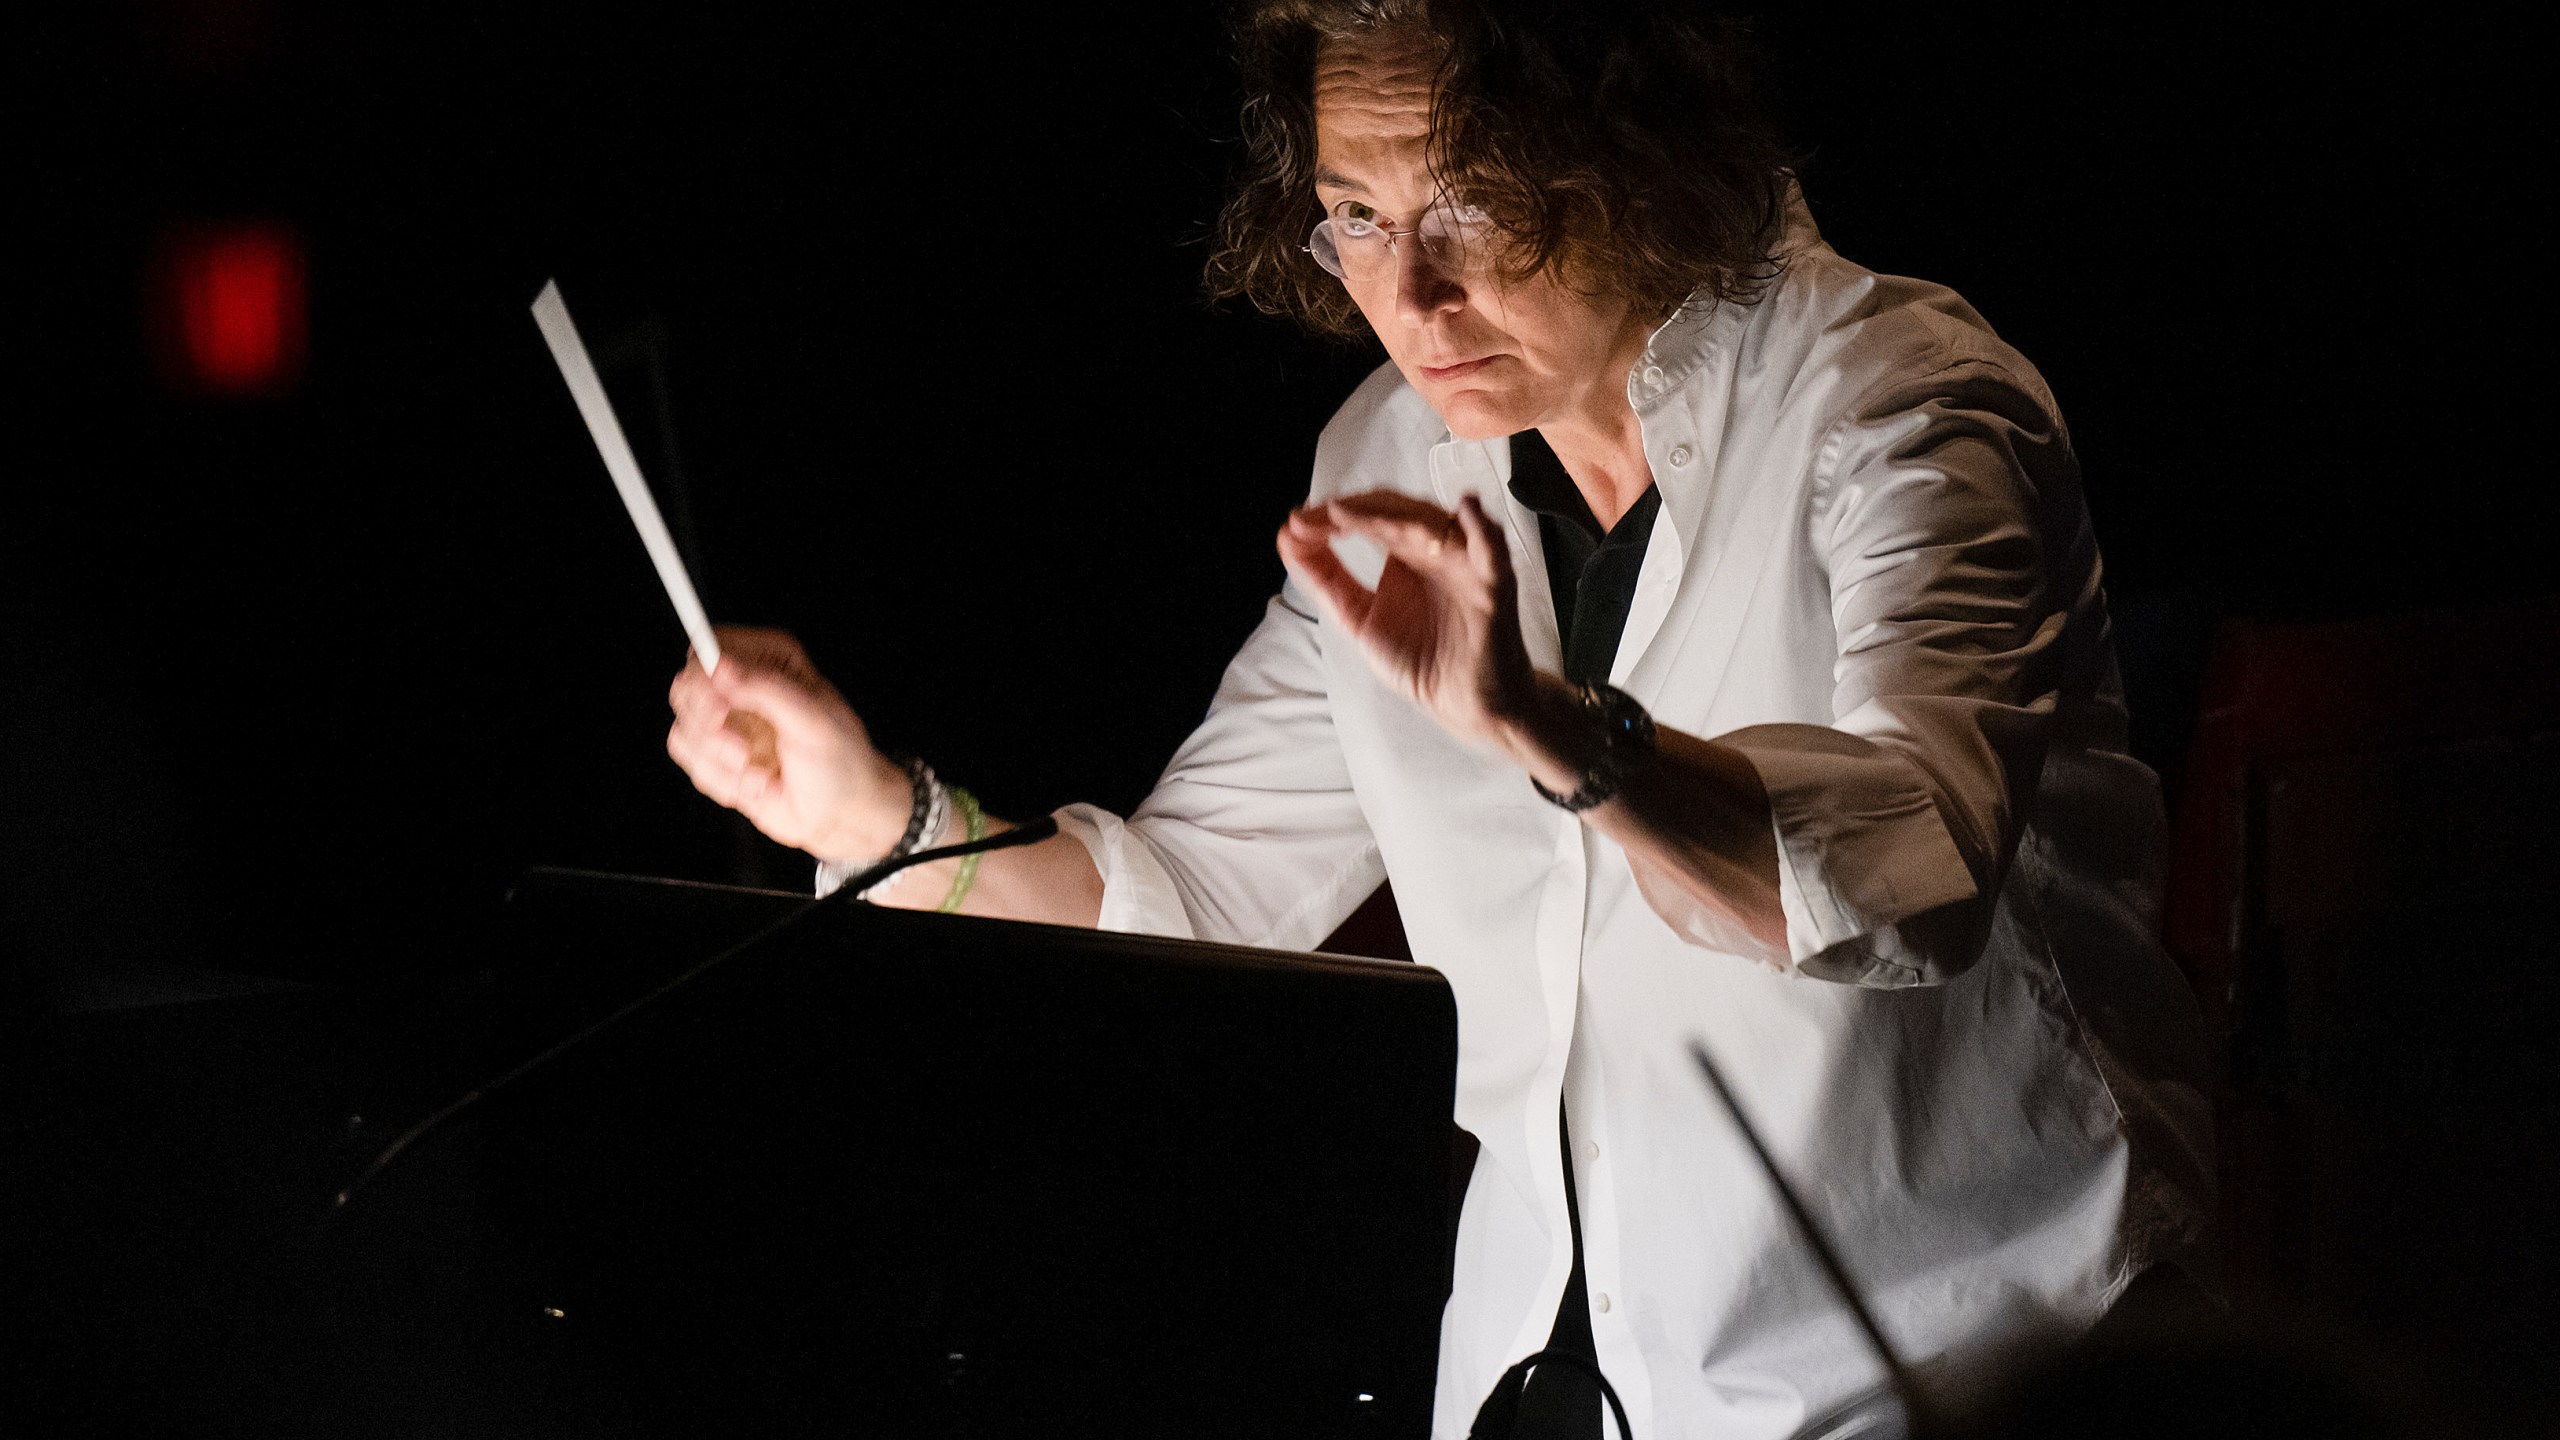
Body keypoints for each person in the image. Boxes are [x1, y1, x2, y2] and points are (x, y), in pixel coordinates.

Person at [663, 1, 2214, 1435]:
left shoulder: (1901, 401)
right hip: (1556, 1386)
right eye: (1355, 216)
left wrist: (1548, 725)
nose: (1406, 294)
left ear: (1642, 160)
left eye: (1468, 206)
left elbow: (1911, 866)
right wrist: (871, 813)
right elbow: (1198, 902)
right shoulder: (1391, 457)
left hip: (1977, 1378)